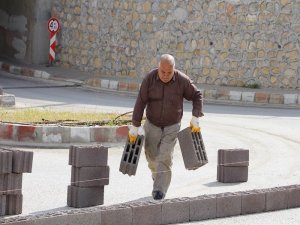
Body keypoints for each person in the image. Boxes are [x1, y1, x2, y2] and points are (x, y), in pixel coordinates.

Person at [129, 54, 204, 200]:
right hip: (152, 124)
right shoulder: (149, 79)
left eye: (169, 72)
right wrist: (135, 125)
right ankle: (157, 174)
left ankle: (159, 190)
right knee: (151, 156)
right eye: (162, 72)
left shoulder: (182, 80)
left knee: (165, 156)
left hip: (172, 125)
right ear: (158, 67)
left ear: (174, 69)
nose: (165, 75)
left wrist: (195, 117)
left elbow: (197, 95)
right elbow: (141, 101)